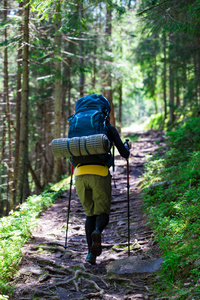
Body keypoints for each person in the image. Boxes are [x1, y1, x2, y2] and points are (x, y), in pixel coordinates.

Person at [72, 107, 130, 265]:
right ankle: (97, 231)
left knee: (89, 214)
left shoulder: (77, 127)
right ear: (105, 113)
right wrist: (126, 146)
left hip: (79, 174)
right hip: (99, 173)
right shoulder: (108, 129)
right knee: (102, 211)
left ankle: (90, 255)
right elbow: (124, 154)